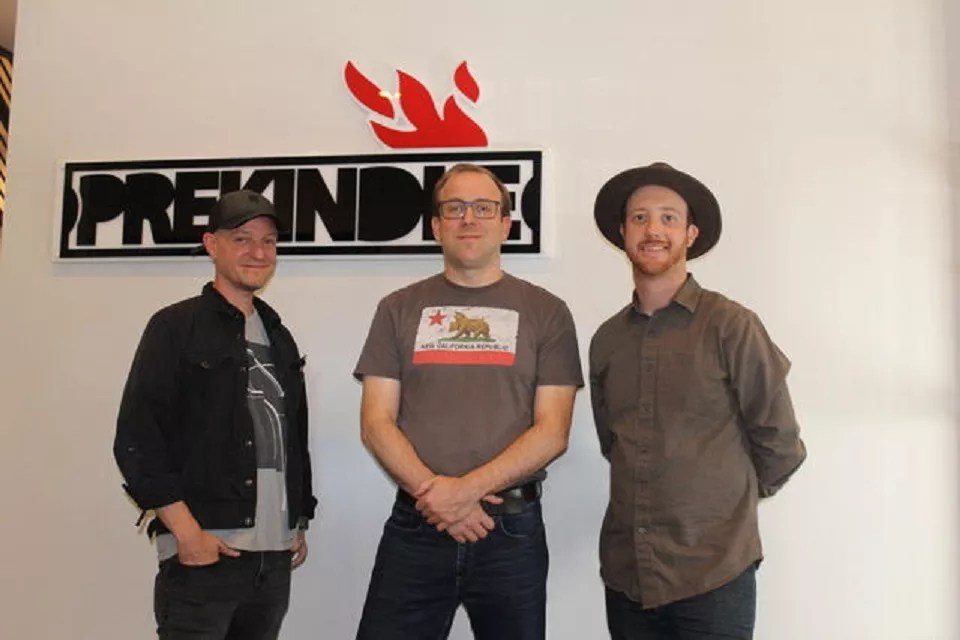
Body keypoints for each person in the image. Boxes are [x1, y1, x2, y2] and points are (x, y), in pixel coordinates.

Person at [353, 163, 583, 640]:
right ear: (437, 226)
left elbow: (553, 431)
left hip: (510, 532)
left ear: (506, 224)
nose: (469, 219)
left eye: (483, 208)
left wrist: (464, 492)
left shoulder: (547, 312)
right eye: (455, 208)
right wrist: (437, 498)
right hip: (417, 524)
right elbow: (376, 422)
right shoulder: (397, 308)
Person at [590, 163, 806, 639]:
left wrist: (719, 505)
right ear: (623, 232)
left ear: (690, 234)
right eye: (640, 217)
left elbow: (780, 443)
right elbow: (614, 444)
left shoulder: (732, 325)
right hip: (627, 577)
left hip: (715, 575)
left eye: (668, 218)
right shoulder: (607, 340)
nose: (653, 229)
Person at [114, 190, 318, 640]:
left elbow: (293, 436)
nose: (258, 252)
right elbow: (138, 436)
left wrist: (297, 521)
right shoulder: (174, 326)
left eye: (268, 242)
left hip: (274, 556)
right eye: (242, 239)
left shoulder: (279, 336)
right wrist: (186, 534)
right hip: (205, 553)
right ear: (212, 244)